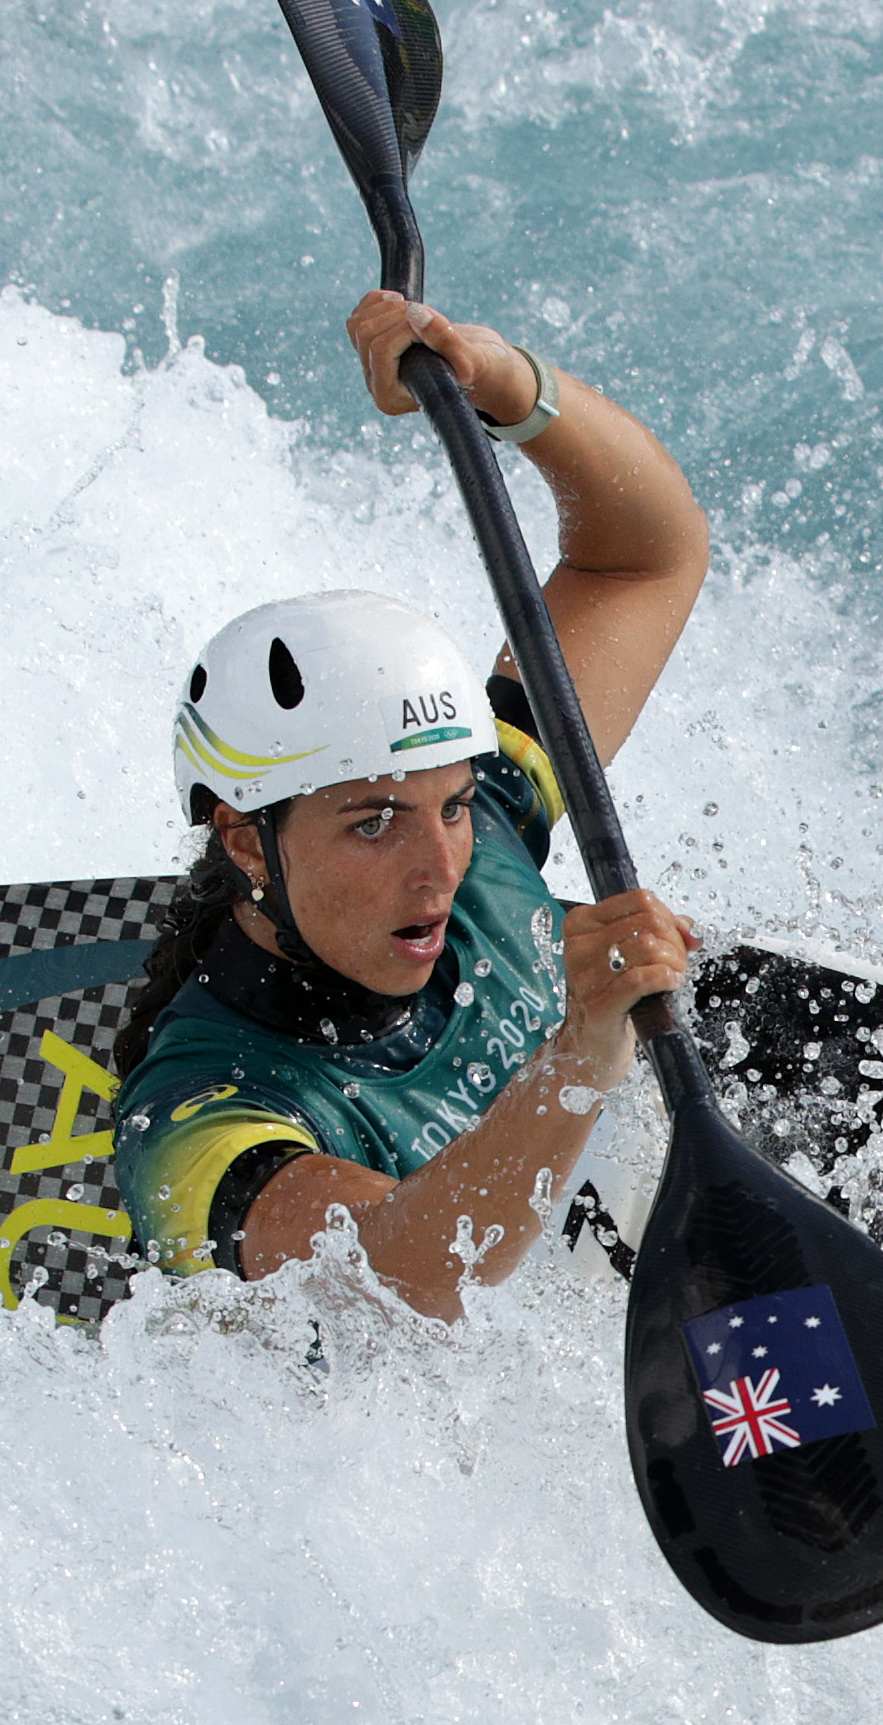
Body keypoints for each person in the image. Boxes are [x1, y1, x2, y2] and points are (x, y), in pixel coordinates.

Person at [112, 290, 706, 1319]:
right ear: (246, 841)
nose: (441, 867)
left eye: (454, 805)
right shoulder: (197, 1114)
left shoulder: (486, 843)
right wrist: (579, 1055)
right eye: (373, 822)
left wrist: (505, 384)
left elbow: (645, 556)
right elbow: (406, 1278)